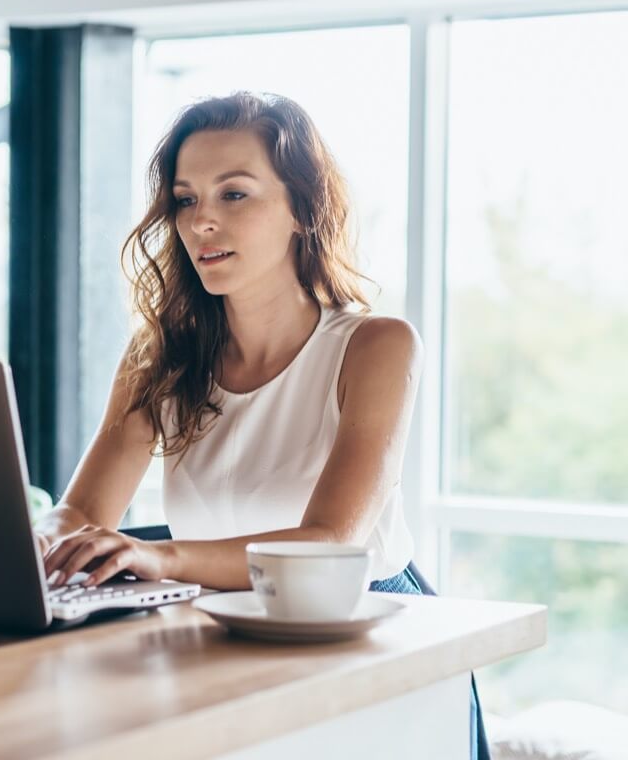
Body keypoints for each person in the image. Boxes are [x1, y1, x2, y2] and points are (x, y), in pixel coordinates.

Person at [32, 92, 487, 759]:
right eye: (185, 200)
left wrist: (157, 557)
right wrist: (24, 548)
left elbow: (332, 541)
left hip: (374, 636)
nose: (201, 223)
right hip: (219, 632)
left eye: (234, 195)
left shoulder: (377, 346)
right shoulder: (157, 355)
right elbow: (78, 512)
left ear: (303, 209)